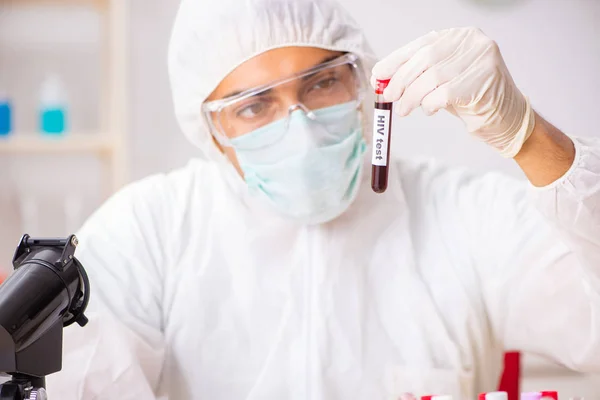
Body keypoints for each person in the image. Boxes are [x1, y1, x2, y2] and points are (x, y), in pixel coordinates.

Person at [46, 0, 600, 399]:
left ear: (361, 81)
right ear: (211, 132)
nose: (301, 128)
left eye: (320, 84)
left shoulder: (464, 214)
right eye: (253, 106)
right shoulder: (150, 230)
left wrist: (529, 138)